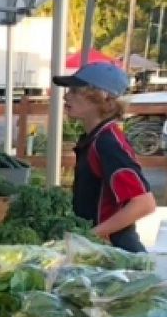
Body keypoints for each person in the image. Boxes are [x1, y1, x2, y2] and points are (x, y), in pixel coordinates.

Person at [52, 62, 155, 252]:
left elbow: (143, 203)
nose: (66, 95)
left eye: (75, 91)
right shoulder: (96, 138)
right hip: (100, 249)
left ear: (100, 97)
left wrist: (90, 235)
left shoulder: (107, 144)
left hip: (116, 251)